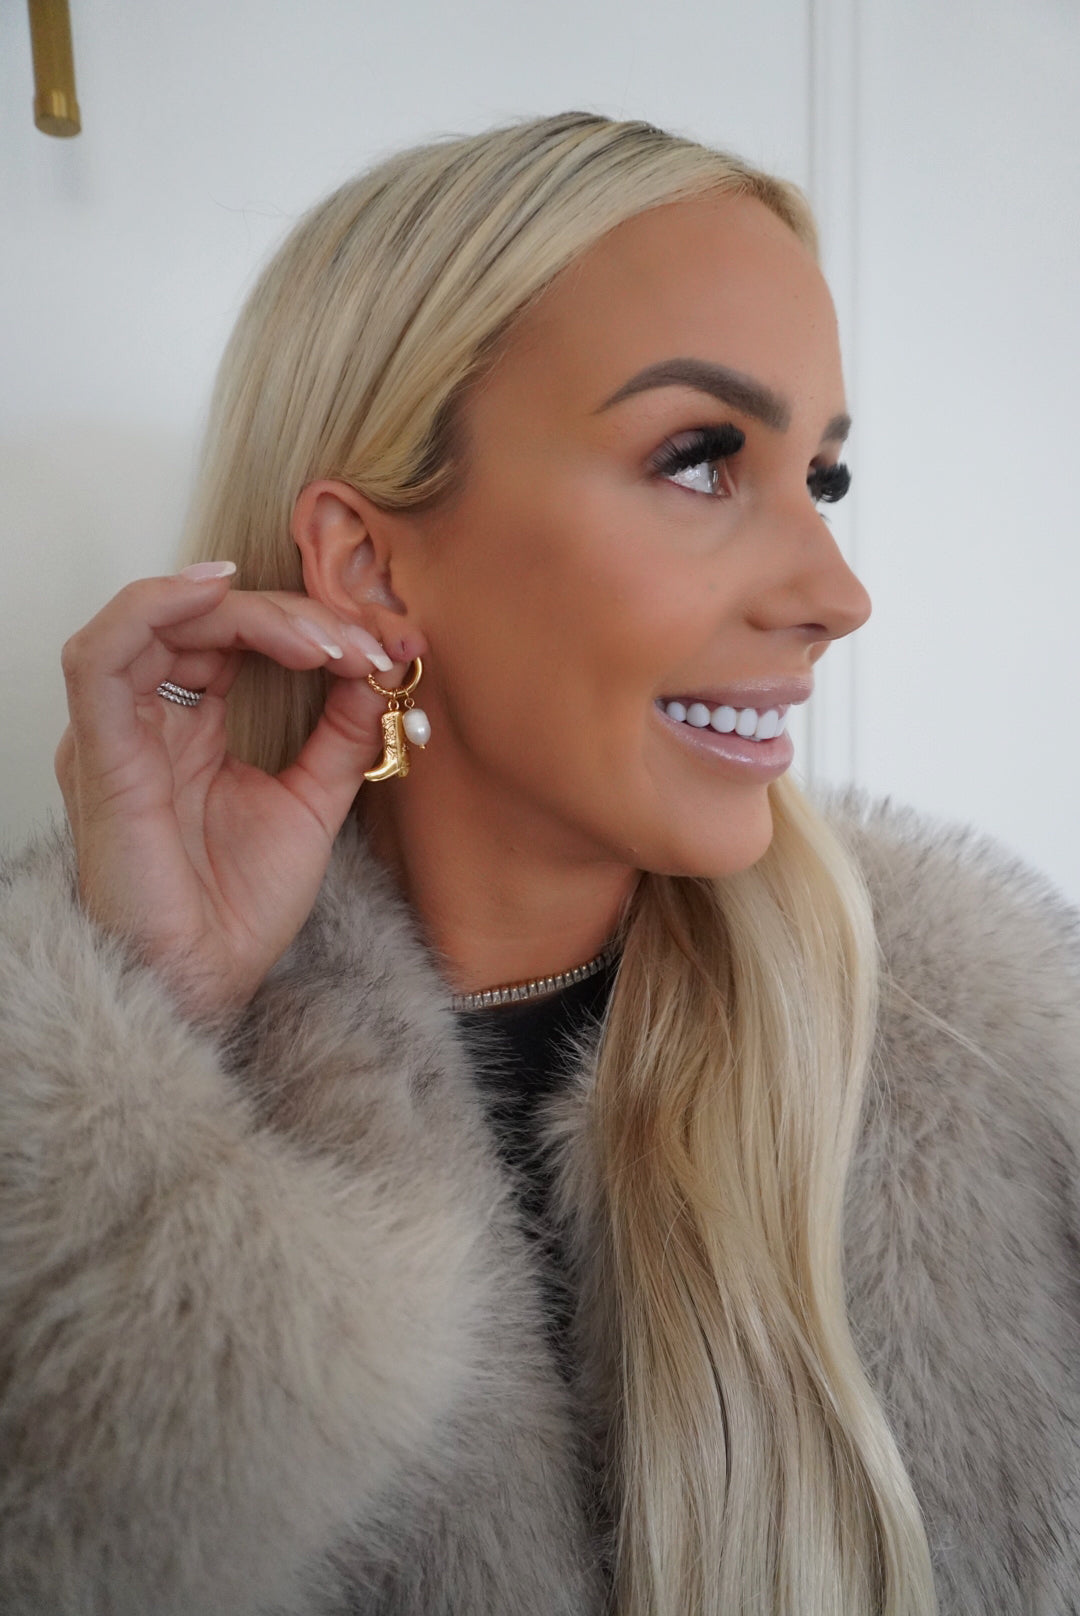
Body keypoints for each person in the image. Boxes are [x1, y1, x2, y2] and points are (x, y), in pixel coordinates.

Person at [0, 110, 1078, 1616]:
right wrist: (157, 1019)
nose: (837, 593)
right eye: (701, 461)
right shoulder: (98, 1127)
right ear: (369, 563)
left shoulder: (990, 1059)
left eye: (822, 479)